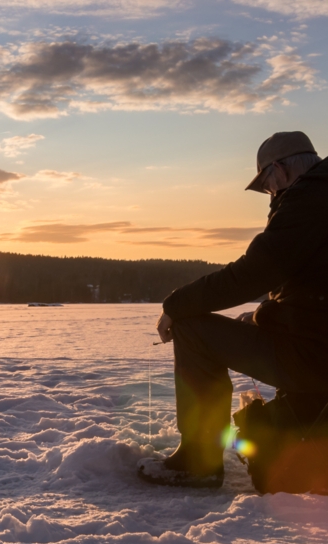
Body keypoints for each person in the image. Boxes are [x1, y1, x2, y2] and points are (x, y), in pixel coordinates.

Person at [138, 130, 328, 488]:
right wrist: (264, 315)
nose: (270, 193)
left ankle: (199, 461)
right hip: (316, 345)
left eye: (267, 184)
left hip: (314, 357)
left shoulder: (310, 198)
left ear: (280, 169)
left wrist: (176, 304)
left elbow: (253, 273)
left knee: (193, 329)